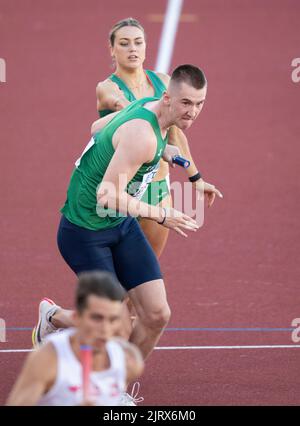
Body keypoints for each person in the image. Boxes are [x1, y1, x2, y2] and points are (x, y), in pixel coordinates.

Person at [96, 17, 222, 258]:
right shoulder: (108, 88)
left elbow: (177, 136)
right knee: (113, 277)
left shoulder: (163, 82)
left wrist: (196, 178)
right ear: (112, 50)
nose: (132, 48)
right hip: (121, 188)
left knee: (144, 273)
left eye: (138, 42)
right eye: (124, 43)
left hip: (157, 190)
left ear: (145, 47)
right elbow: (129, 111)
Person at [7, 271, 144, 406]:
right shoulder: (48, 359)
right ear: (75, 317)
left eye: (113, 319)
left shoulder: (128, 361)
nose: (105, 329)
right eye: (97, 318)